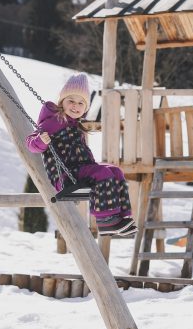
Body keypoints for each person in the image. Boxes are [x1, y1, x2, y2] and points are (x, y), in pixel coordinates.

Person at [25, 73, 136, 237]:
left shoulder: (75, 124)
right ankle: (106, 220)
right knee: (103, 173)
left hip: (81, 170)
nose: (75, 106)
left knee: (115, 171)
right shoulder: (55, 121)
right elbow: (30, 143)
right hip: (66, 175)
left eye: (80, 103)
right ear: (62, 102)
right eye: (71, 100)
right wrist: (40, 141)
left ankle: (120, 217)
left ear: (85, 108)